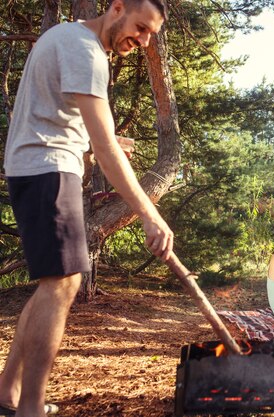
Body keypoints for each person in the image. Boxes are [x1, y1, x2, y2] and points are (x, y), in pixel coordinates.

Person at [0, 1, 172, 415]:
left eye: (151, 34)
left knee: (52, 284)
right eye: (140, 27)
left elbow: (63, 118)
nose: (143, 40)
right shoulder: (86, 50)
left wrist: (104, 143)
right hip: (47, 169)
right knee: (64, 282)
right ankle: (31, 409)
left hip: (38, 166)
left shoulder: (66, 36)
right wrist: (150, 214)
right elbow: (104, 148)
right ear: (116, 8)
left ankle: (8, 394)